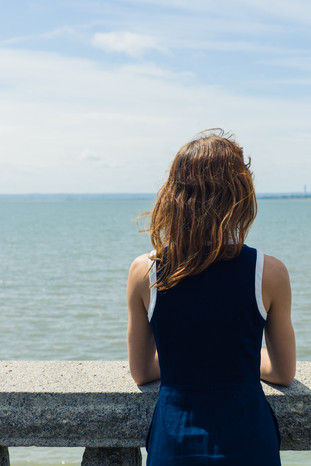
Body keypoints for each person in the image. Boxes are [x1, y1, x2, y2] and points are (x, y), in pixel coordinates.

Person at [126, 130, 296, 465]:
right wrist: (240, 357)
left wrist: (187, 358)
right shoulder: (269, 272)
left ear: (174, 194)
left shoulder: (145, 271)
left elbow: (142, 372)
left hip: (173, 443)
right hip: (249, 443)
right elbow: (283, 372)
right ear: (239, 196)